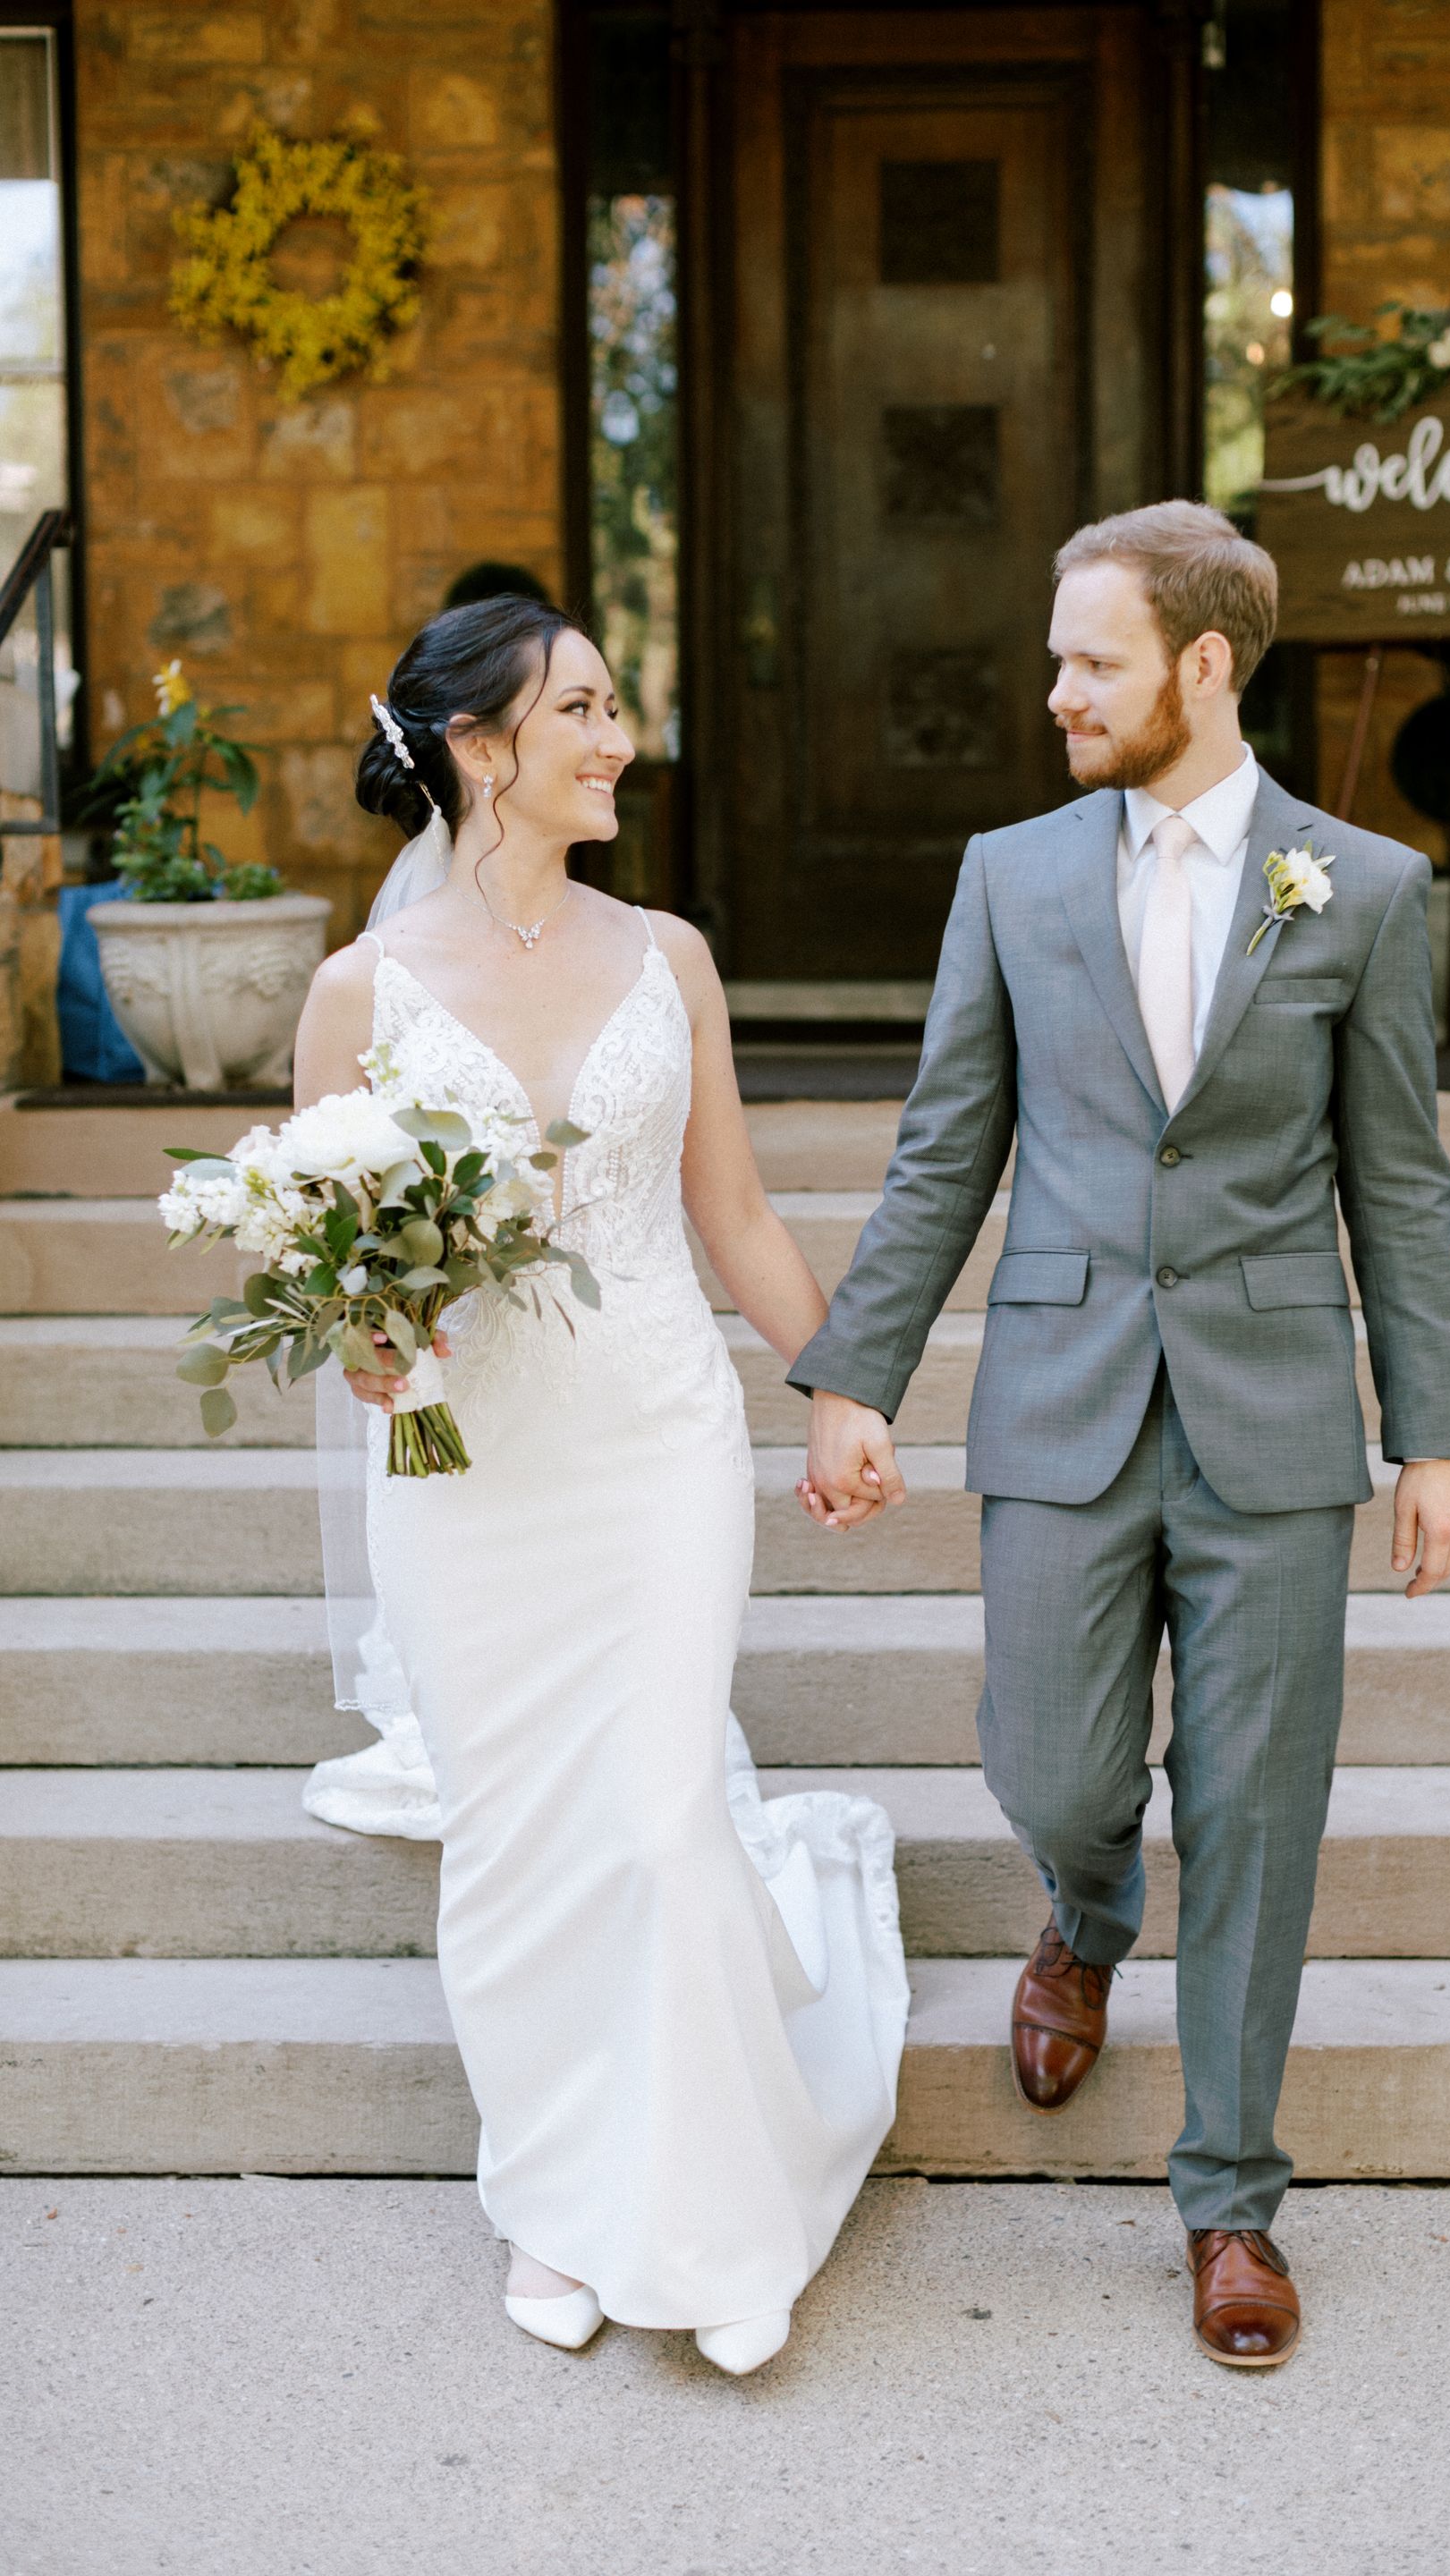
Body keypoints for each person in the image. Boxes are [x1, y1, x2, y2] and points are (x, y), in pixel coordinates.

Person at [792, 501, 1450, 2370]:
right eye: (1056, 657)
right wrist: (862, 1373)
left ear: (1201, 665)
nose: (1056, 692)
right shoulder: (1011, 876)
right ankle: (1084, 1909)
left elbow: (1398, 1189)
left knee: (1258, 1815)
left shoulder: (1368, 888)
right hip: (1063, 1394)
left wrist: (1438, 1435)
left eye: (1091, 661)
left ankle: (1232, 2202)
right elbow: (951, 1145)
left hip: (1271, 1422)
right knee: (1054, 1763)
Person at [293, 597, 907, 2377]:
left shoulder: (672, 957)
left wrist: (842, 1387)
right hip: (464, 1468)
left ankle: (713, 2226)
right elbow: (342, 1309)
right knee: (511, 1849)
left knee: (649, 1823)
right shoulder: (358, 997)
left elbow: (735, 1216)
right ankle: (554, 2201)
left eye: (617, 702)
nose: (618, 735)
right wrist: (379, 1352)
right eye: (582, 706)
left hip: (652, 1444)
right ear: (480, 748)